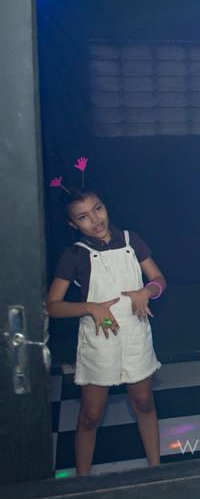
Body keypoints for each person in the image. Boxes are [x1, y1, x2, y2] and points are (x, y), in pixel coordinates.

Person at [47, 185, 165, 475]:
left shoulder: (131, 240)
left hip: (135, 336)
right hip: (99, 343)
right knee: (91, 414)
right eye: (83, 217)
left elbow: (159, 280)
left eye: (97, 209)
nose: (95, 219)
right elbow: (52, 306)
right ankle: (83, 481)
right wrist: (91, 308)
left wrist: (147, 291)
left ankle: (156, 471)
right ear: (73, 224)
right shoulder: (74, 255)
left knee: (144, 402)